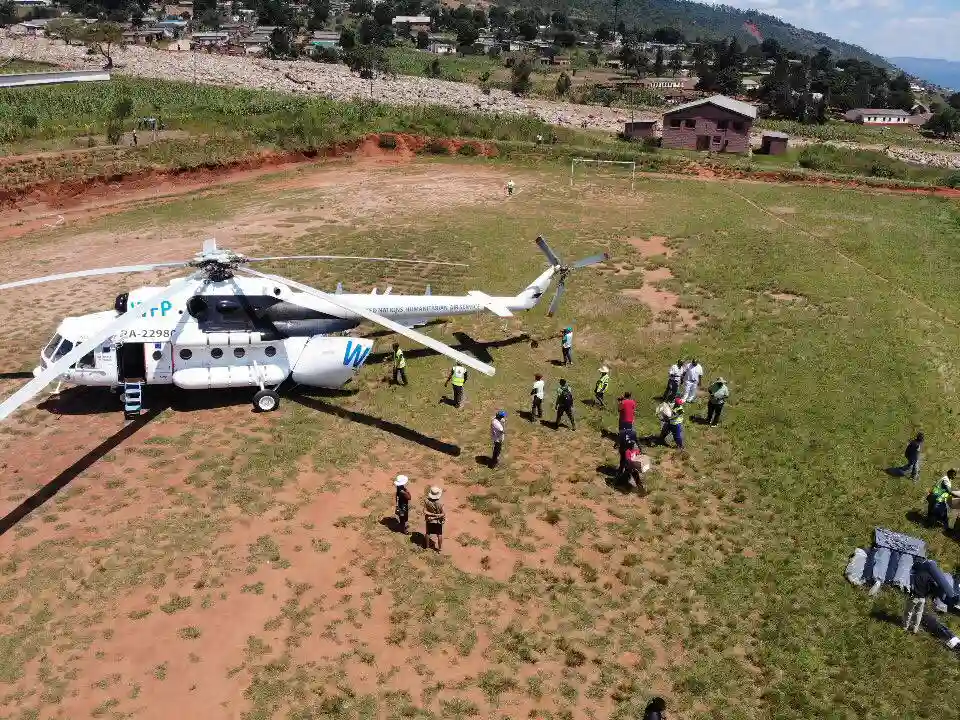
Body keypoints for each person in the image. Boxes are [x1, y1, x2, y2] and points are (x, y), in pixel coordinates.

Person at [904, 560, 938, 633]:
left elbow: (912, 586)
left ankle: (905, 627)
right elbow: (935, 585)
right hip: (922, 598)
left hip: (914, 597)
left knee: (909, 612)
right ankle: (915, 629)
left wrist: (911, 592)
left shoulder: (914, 575)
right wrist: (928, 594)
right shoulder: (929, 576)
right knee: (919, 614)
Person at [424, 486, 445, 552]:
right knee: (439, 534)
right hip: (438, 521)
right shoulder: (440, 503)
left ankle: (427, 546)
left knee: (428, 533)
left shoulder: (426, 501)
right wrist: (436, 516)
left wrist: (431, 516)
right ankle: (439, 548)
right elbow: (443, 514)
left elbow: (424, 511)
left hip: (429, 520)